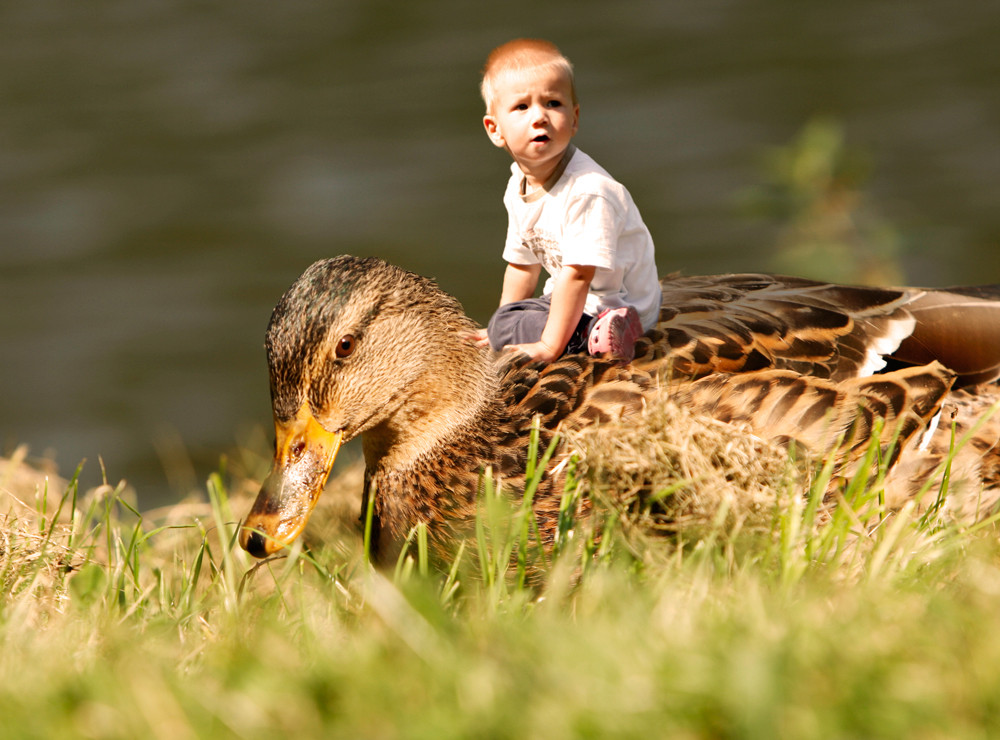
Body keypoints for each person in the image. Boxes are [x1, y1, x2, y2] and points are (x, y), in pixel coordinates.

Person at [472, 38, 660, 363]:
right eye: (522, 107)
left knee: (521, 326)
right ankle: (568, 330)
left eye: (553, 103)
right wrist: (498, 328)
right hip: (574, 298)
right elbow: (521, 265)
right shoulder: (517, 182)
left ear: (574, 119)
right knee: (504, 323)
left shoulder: (588, 190)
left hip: (616, 303)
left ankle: (601, 334)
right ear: (495, 129)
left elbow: (578, 274)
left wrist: (548, 346)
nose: (540, 117)